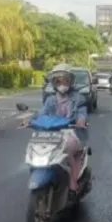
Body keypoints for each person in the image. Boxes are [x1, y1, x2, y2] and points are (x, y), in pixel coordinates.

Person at [23, 64, 88, 198]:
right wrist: (29, 120)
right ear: (54, 83)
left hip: (71, 133)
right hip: (50, 134)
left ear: (71, 82)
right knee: (35, 147)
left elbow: (82, 113)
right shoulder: (50, 100)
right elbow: (41, 113)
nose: (62, 83)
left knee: (67, 149)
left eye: (65, 80)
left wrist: (81, 121)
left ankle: (72, 186)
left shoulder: (78, 99)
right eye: (58, 81)